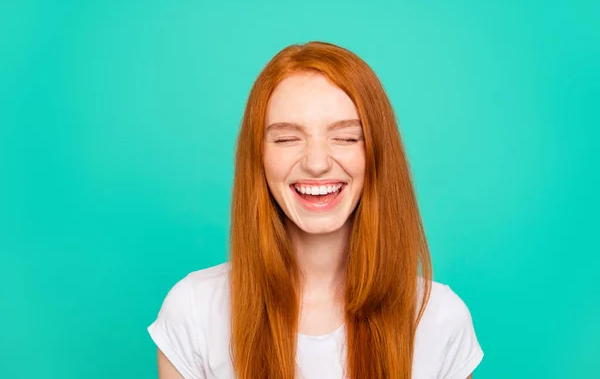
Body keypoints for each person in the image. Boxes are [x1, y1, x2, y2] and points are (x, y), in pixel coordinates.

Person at [148, 41, 484, 379]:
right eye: (286, 139)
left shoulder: (440, 318)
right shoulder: (192, 311)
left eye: (347, 137)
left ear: (377, 154)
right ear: (259, 159)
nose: (317, 163)